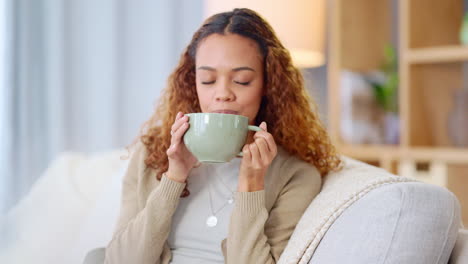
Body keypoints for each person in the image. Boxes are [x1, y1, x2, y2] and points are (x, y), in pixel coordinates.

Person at [102, 8, 341, 264]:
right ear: (192, 83)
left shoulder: (295, 175)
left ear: (268, 85)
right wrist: (174, 177)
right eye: (207, 80)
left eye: (241, 80)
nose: (223, 93)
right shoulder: (152, 153)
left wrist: (251, 184)